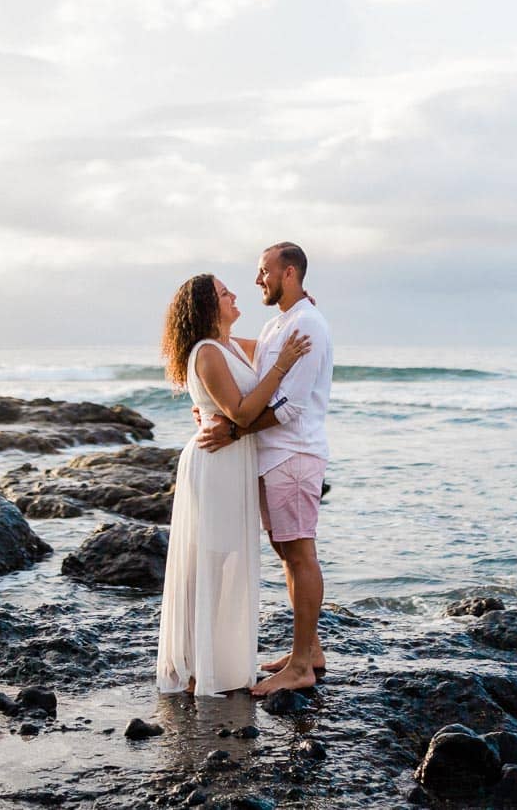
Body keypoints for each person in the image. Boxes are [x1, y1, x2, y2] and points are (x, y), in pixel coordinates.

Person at [155, 272, 311, 695]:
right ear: (209, 307)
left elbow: (274, 349)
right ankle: (197, 667)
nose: (234, 295)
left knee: (227, 562)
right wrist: (281, 367)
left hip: (235, 461)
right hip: (217, 463)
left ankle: (214, 661)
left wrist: (301, 307)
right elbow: (241, 413)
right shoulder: (207, 353)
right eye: (225, 294)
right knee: (214, 562)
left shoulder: (231, 345)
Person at [197, 242, 332, 696]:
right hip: (276, 456)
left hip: (293, 453)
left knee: (300, 555)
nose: (257, 280)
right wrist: (208, 402)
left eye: (263, 271)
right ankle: (308, 650)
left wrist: (234, 433)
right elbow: (244, 358)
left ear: (288, 273)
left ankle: (300, 668)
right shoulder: (281, 324)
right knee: (287, 553)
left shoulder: (307, 325)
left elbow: (290, 406)